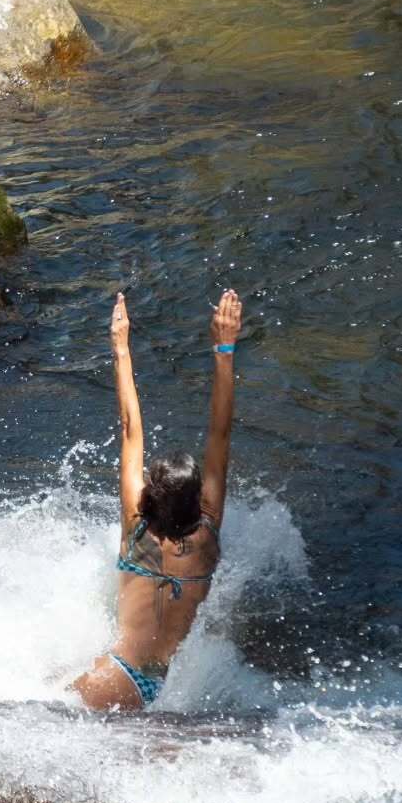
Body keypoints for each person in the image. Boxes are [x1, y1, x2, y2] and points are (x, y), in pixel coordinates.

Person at [72, 288, 243, 710]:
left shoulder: (137, 526)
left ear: (150, 496)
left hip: (122, 675)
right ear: (198, 498)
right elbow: (220, 433)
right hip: (184, 683)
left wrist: (121, 346)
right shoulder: (208, 532)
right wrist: (224, 349)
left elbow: (130, 427)